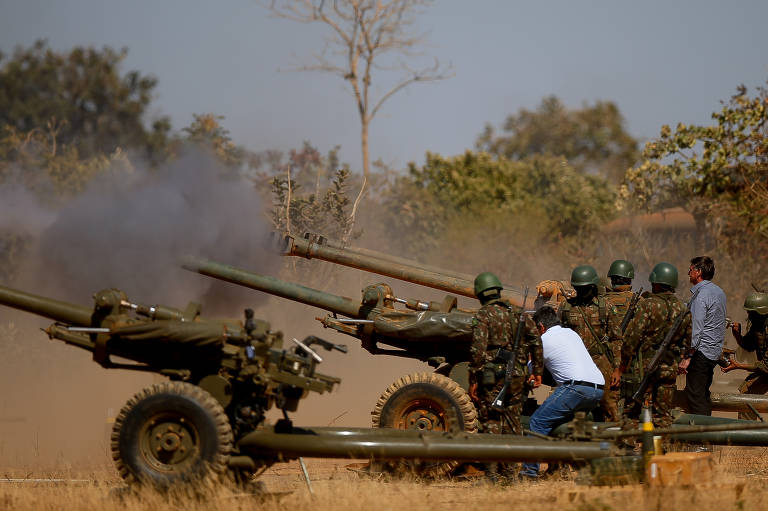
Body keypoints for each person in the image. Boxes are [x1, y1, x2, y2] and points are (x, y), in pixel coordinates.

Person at [469, 271, 543, 483]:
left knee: (491, 422)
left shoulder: (483, 315)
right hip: (518, 376)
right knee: (513, 423)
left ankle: (492, 475)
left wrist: (473, 379)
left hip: (492, 376)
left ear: (480, 294)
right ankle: (511, 474)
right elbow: (536, 341)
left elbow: (477, 351)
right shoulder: (518, 314)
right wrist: (537, 371)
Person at [519, 306, 604, 479]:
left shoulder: (544, 340)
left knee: (537, 422)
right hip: (597, 388)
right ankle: (559, 469)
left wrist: (529, 355)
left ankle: (529, 473)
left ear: (541, 327)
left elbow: (532, 370)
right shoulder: (571, 333)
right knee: (562, 425)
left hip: (576, 388)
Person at [610, 263, 692, 427]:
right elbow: (687, 342)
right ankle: (662, 443)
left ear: (656, 283)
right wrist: (677, 360)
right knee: (663, 416)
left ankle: (628, 442)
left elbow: (631, 339)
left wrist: (621, 368)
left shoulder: (647, 305)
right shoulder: (682, 309)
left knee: (631, 414)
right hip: (668, 370)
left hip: (642, 370)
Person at [559, 265, 623, 422]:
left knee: (609, 405)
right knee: (572, 406)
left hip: (601, 362)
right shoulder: (566, 308)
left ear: (593, 287)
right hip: (575, 364)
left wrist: (616, 369)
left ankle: (613, 435)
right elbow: (559, 338)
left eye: (585, 288)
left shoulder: (606, 307)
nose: (582, 291)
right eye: (579, 288)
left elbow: (616, 339)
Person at [679, 256, 727, 416]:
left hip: (700, 353)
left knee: (696, 398)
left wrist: (687, 357)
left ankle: (702, 431)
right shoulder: (719, 292)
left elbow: (696, 329)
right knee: (703, 395)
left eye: (691, 269)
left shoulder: (701, 296)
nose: (688, 273)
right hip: (713, 352)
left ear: (698, 272)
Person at [721, 292, 768, 420]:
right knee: (747, 392)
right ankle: (746, 428)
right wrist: (737, 335)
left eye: (752, 313)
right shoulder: (759, 326)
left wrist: (738, 366)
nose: (749, 316)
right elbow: (749, 346)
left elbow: (766, 366)